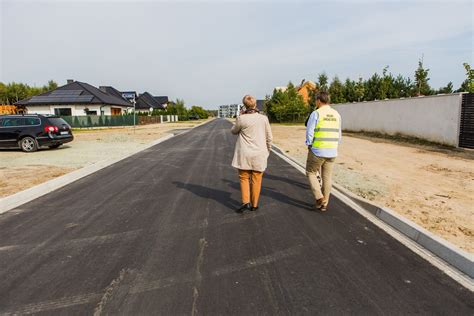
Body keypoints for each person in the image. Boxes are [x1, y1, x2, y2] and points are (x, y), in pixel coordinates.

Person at [231, 95, 273, 213]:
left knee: (244, 178)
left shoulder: (241, 119)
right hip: (259, 154)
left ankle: (245, 202)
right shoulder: (263, 118)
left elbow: (233, 131)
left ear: (244, 106)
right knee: (256, 179)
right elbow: (269, 138)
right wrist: (267, 151)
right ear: (255, 105)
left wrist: (239, 116)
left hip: (244, 154)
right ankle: (254, 204)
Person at [305, 91, 341, 212]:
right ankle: (324, 204)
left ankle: (319, 197)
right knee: (327, 177)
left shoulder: (316, 113)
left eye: (316, 100)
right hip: (332, 150)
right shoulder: (336, 114)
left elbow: (310, 131)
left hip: (318, 150)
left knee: (310, 172)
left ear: (319, 101)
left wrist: (309, 145)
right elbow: (339, 134)